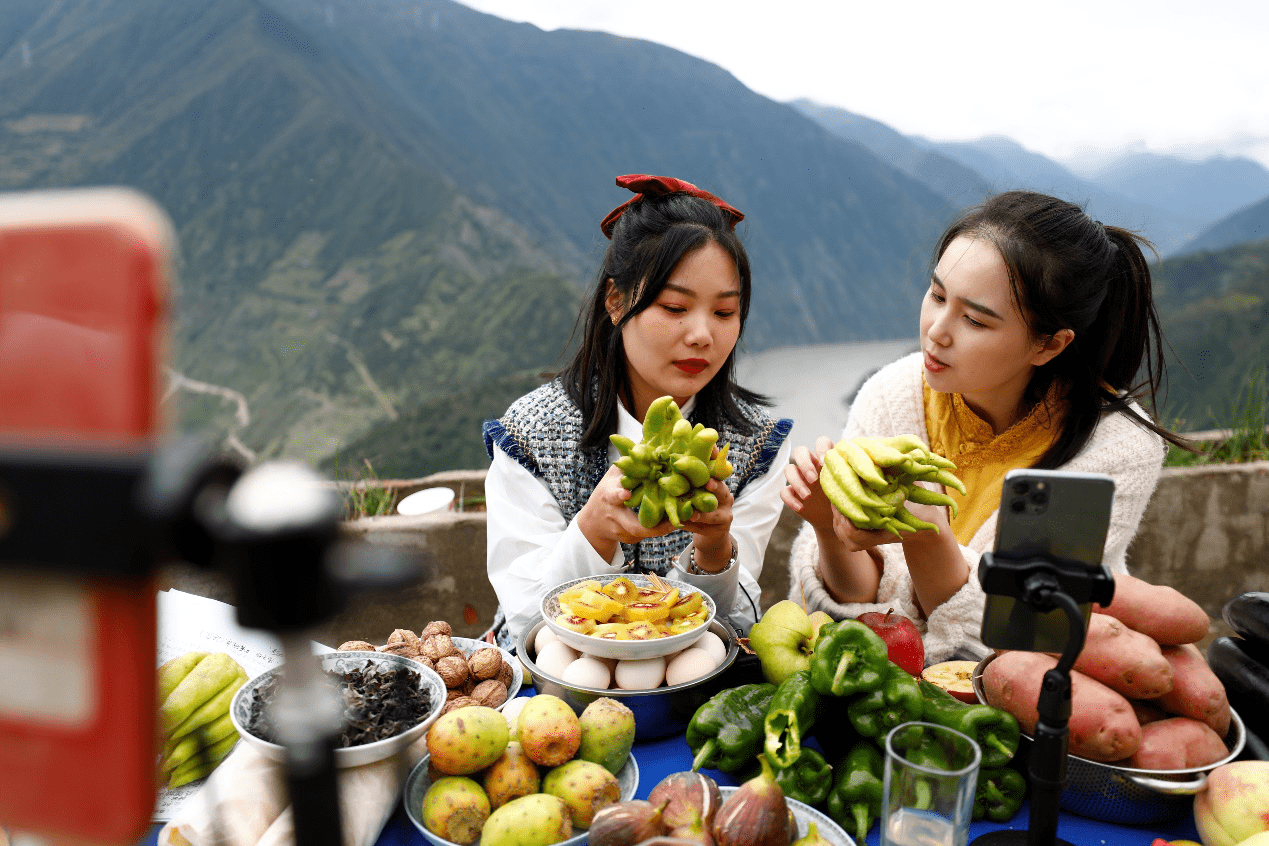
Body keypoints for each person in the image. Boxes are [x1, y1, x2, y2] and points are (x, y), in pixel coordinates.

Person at [783, 190, 1190, 664]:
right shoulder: (893, 394)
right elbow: (855, 619)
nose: (937, 329)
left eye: (975, 319)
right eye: (936, 295)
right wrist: (827, 529)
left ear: (1049, 345)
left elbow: (1018, 633)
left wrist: (928, 537)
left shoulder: (1116, 447)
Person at [482, 174, 793, 652]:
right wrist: (593, 530)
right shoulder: (530, 434)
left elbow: (731, 625)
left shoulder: (756, 444)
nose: (702, 335)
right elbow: (525, 617)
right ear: (615, 301)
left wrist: (714, 550)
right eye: (674, 307)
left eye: (725, 313)